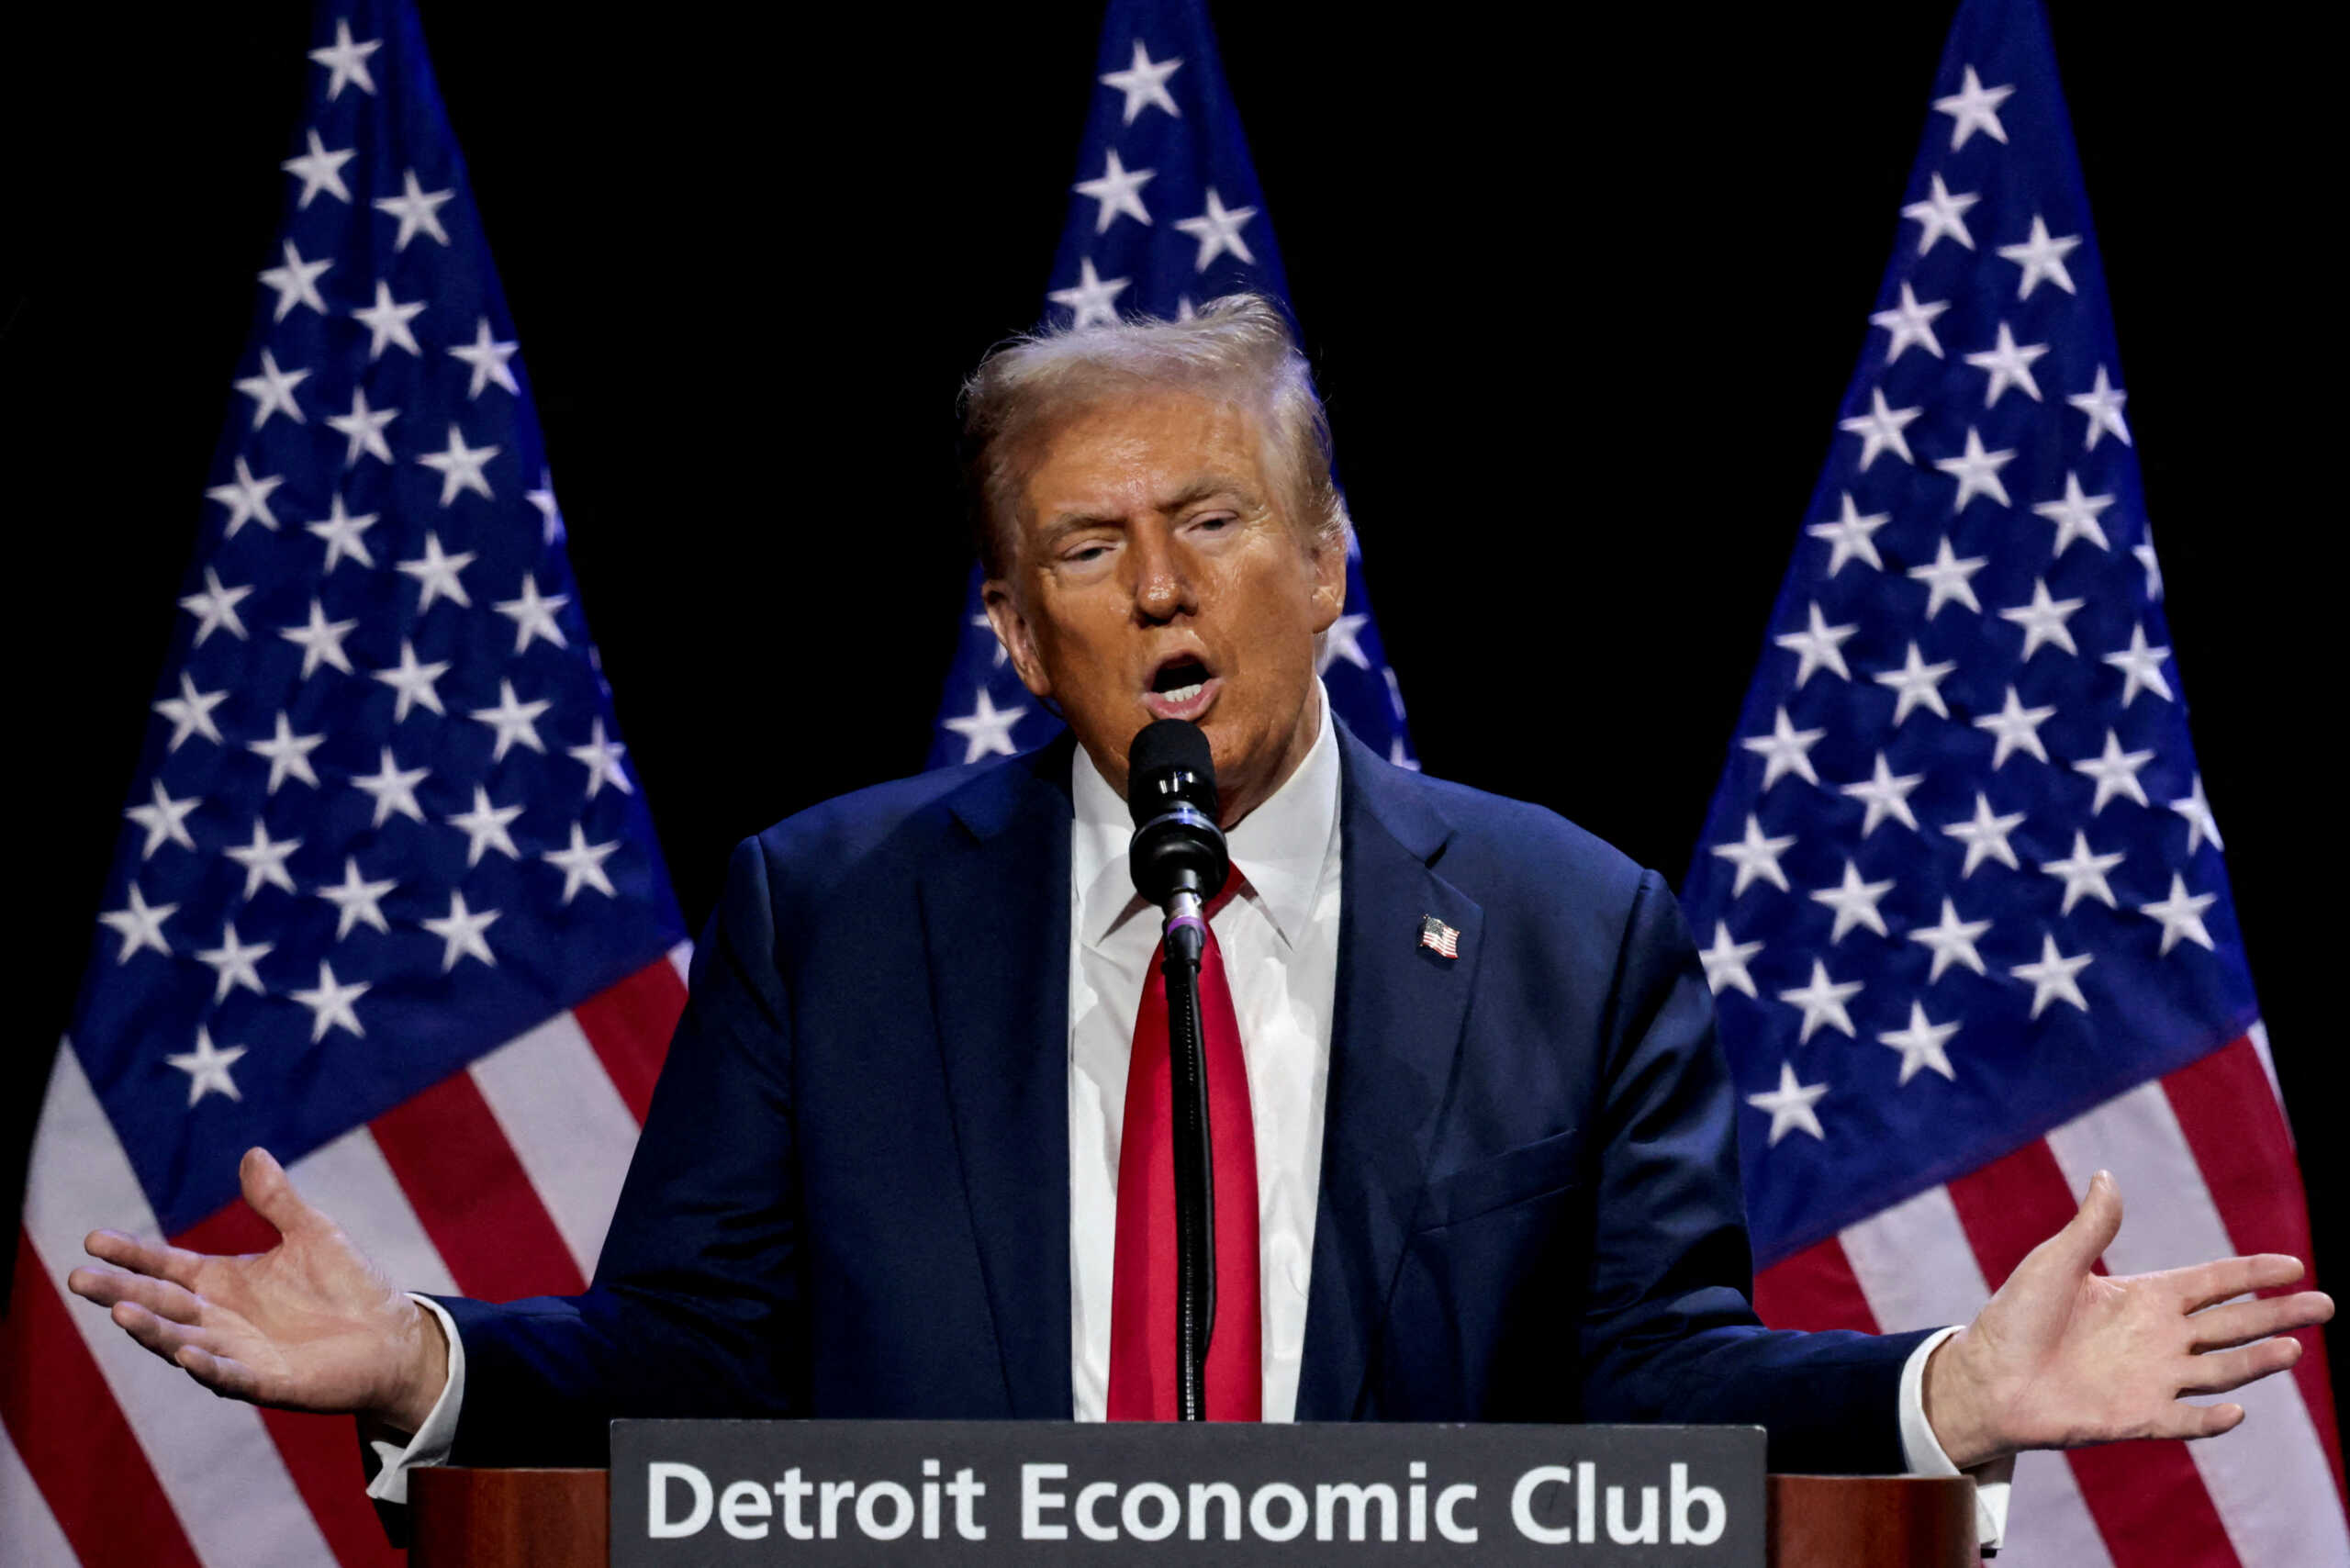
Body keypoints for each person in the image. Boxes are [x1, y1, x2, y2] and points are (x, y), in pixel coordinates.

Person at [68, 297, 2330, 1549]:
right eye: (1081, 545)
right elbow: (698, 1362)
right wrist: (431, 1360)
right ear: (1011, 625)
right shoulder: (833, 914)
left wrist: (1948, 1391)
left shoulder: (1568, 930)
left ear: (1328, 560)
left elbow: (1645, 1387)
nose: (1154, 583)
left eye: (1211, 516)